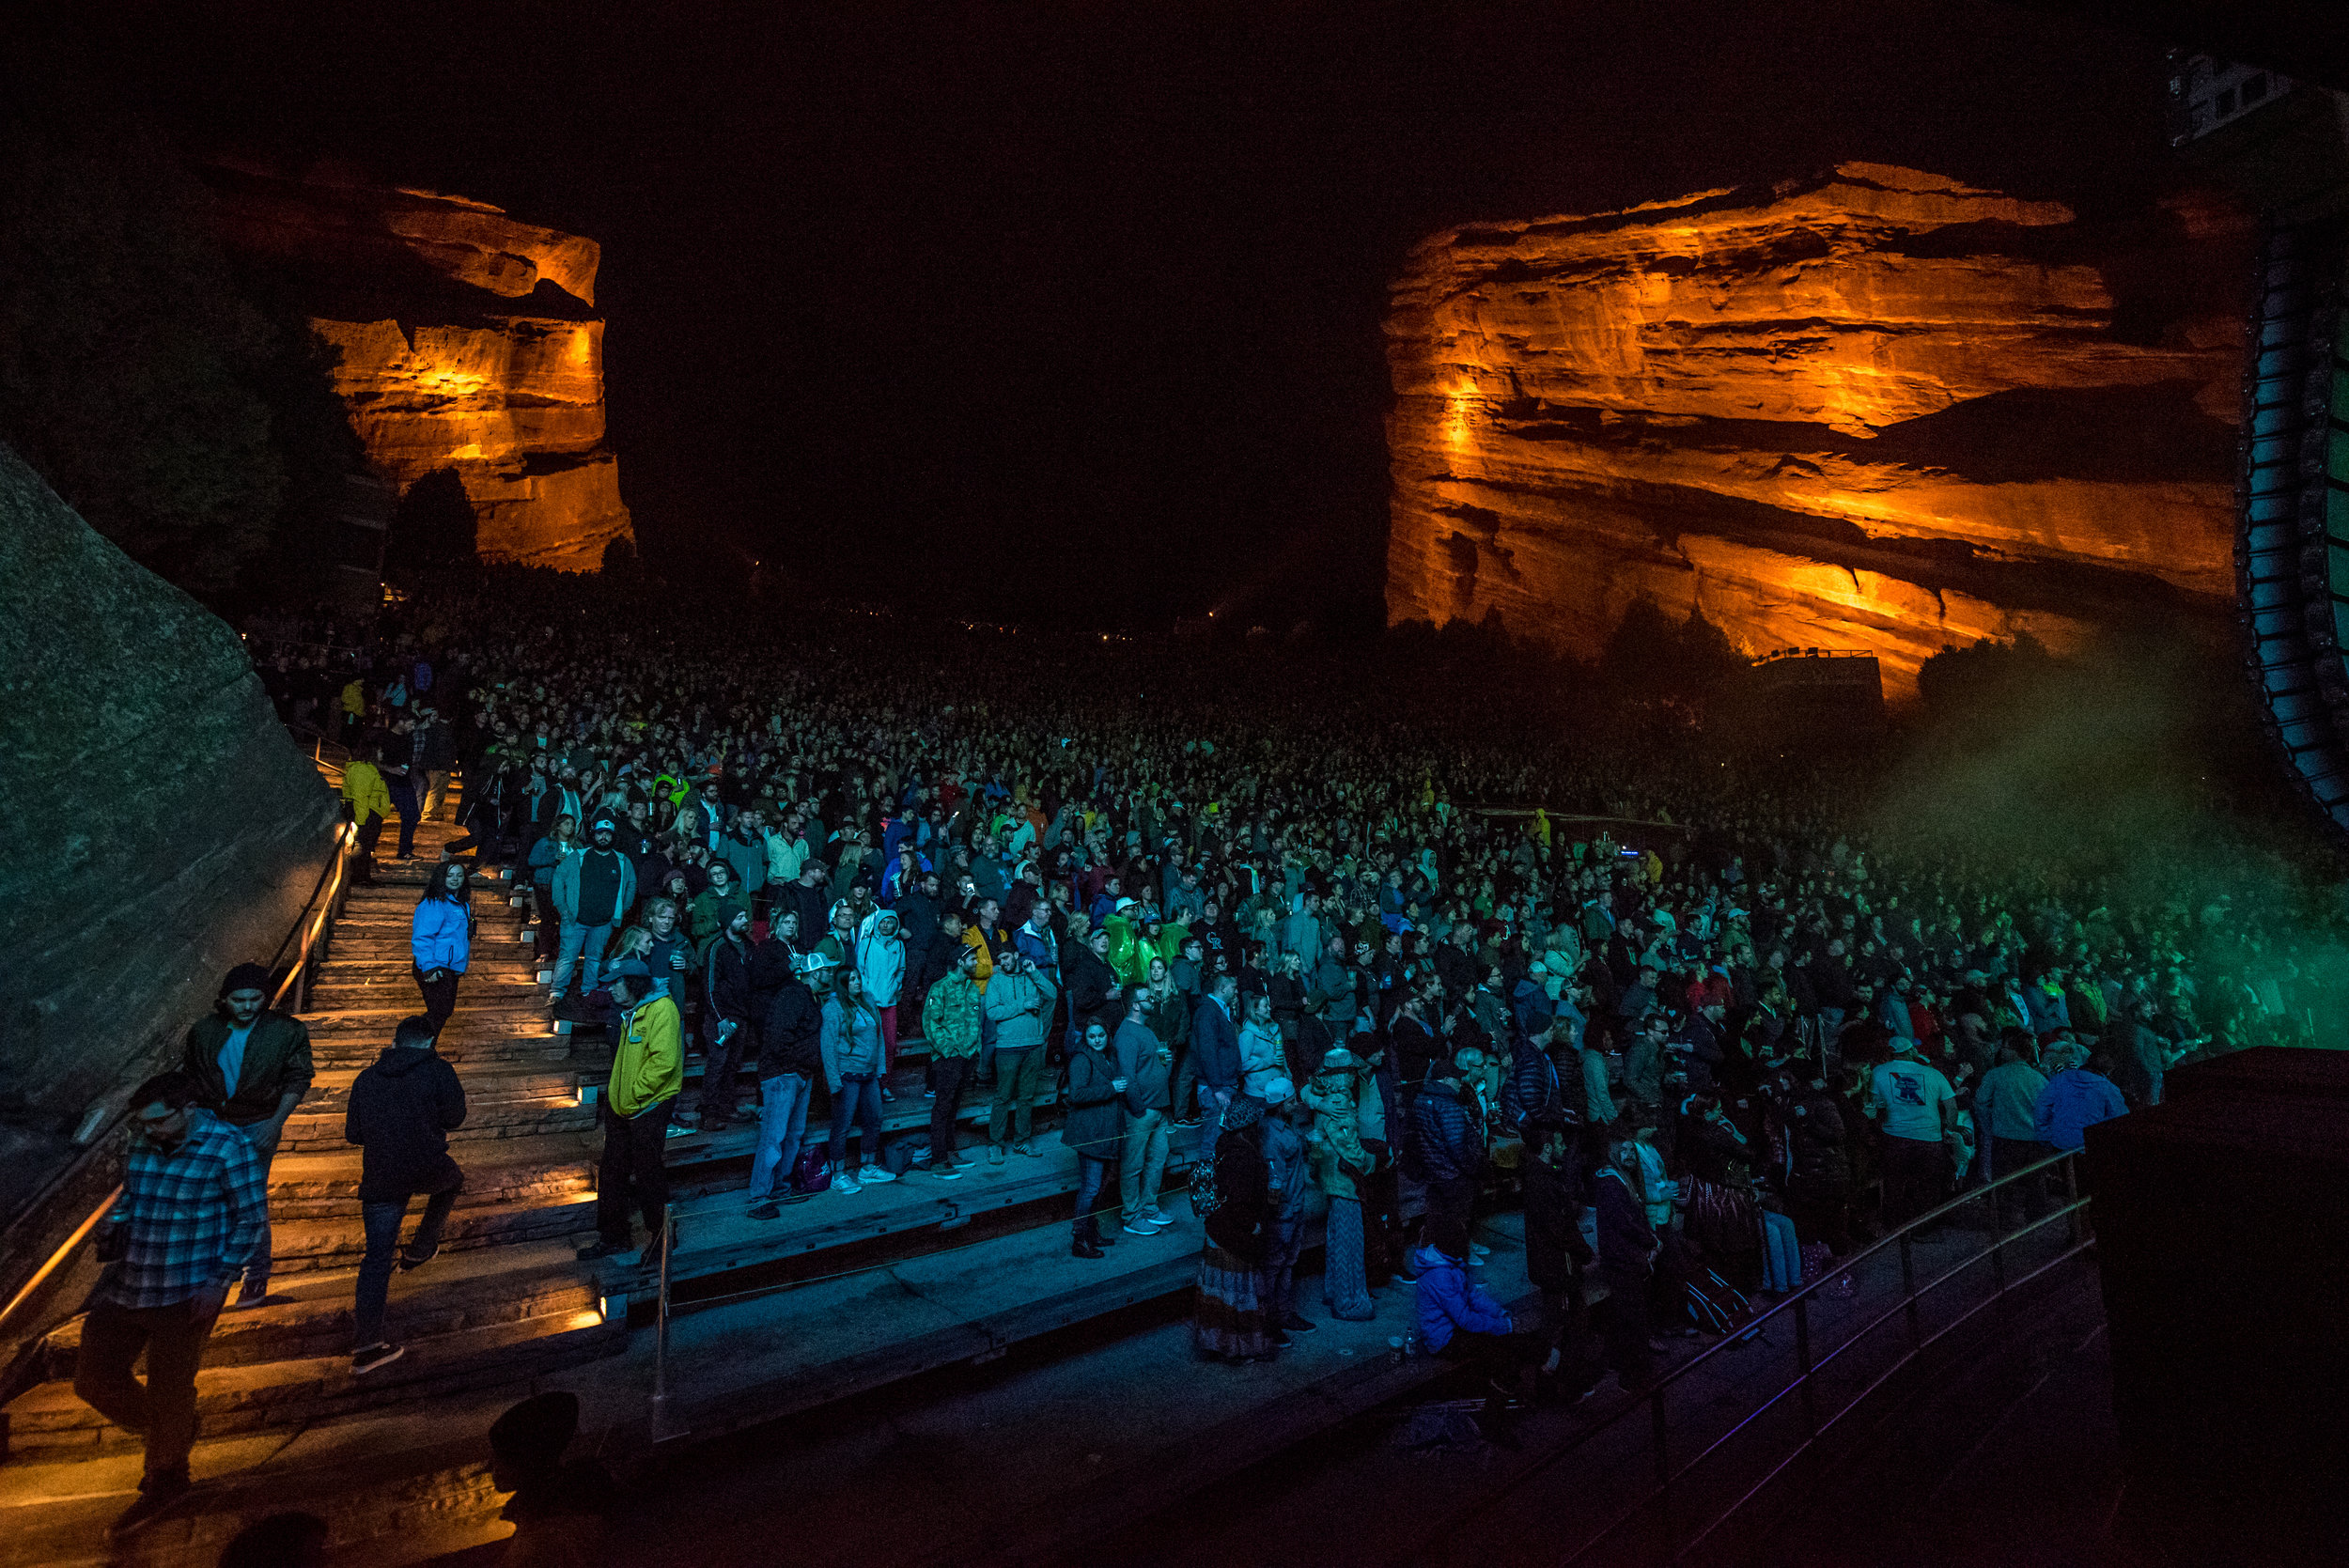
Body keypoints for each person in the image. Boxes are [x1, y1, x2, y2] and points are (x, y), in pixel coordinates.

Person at [76, 1071, 267, 1537]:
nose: (149, 1131)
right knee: (93, 1379)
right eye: (143, 1124)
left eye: (158, 1122)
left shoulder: (227, 1146)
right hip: (128, 1281)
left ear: (188, 1110)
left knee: (169, 1387)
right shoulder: (143, 1142)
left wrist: (221, 1279)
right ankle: (173, 1431)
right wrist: (114, 1224)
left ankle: (166, 1477)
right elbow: (131, 1195)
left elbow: (251, 1218)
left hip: (186, 1287)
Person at [181, 963, 312, 1311]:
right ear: (224, 1000)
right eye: (239, 1000)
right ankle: (211, 1275)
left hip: (257, 1122)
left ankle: (255, 1275)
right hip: (212, 1121)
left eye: (255, 999)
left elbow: (298, 1078)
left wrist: (275, 1123)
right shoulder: (204, 1031)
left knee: (248, 1201)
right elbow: (191, 1078)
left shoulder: (286, 1031)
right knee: (211, 1199)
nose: (247, 1006)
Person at [344, 1014, 468, 1374]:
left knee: (376, 1259)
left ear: (395, 1041)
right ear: (429, 1042)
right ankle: (421, 1247)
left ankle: (367, 1345)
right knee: (452, 1181)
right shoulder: (438, 1070)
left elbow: (353, 1133)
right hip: (426, 1163)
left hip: (381, 1173)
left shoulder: (367, 1078)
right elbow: (455, 1117)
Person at [577, 962, 682, 1265]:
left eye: (616, 983)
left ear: (633, 983)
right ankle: (613, 1237)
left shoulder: (662, 1010)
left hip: (649, 1104)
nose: (610, 989)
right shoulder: (632, 1011)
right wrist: (617, 1098)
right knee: (612, 1171)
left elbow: (665, 1062)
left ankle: (661, 1236)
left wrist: (634, 1094)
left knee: (648, 1170)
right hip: (622, 1106)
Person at [1410, 1232, 1527, 1444]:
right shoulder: (1440, 1275)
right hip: (1444, 1340)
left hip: (1456, 1330)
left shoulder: (1451, 1263)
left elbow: (1472, 1295)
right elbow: (1464, 1318)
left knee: (1508, 1346)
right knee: (1501, 1356)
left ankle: (1498, 1408)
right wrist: (1500, 1326)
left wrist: (1498, 1312)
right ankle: (1493, 1422)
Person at [488, 1391, 612, 1567]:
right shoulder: (558, 1504)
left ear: (528, 1460)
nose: (492, 1464)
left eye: (502, 1455)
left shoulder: (539, 1546)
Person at [1194, 1093, 1275, 1362]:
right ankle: (1237, 1349)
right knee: (1237, 1298)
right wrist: (1252, 1226)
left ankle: (1219, 1345)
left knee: (1220, 1299)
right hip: (1232, 1238)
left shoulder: (1224, 1146)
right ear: (1249, 1127)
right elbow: (1240, 1203)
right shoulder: (1245, 1158)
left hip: (1217, 1233)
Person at [746, 953, 825, 1218]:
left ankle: (780, 1186)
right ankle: (759, 1196)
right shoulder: (793, 995)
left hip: (800, 1073)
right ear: (816, 973)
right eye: (826, 970)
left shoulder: (810, 998)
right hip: (784, 1074)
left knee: (793, 1134)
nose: (830, 974)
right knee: (774, 1136)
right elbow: (779, 1037)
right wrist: (799, 1061)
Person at [1303, 1048, 1374, 1320]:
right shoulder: (1339, 1104)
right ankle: (1349, 1301)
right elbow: (1349, 1148)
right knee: (1349, 1242)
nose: (1355, 1077)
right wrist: (1372, 1160)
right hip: (1344, 1182)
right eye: (1350, 1072)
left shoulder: (1325, 1099)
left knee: (1336, 1238)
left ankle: (1334, 1291)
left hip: (1331, 1180)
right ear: (1342, 1076)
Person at [1866, 1035, 1959, 1231]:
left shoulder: (1879, 1072)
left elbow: (1875, 1104)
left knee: (1894, 1184)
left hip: (1894, 1136)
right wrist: (1949, 1129)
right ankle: (1924, 1227)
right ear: (1911, 1051)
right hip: (1929, 1137)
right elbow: (1951, 1106)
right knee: (1928, 1184)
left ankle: (1894, 1228)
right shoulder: (1932, 1073)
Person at [1593, 1133, 1659, 1390]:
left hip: (1623, 1257)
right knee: (1633, 1319)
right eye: (1625, 1151)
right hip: (1623, 1259)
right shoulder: (1612, 1183)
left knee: (1626, 1316)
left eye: (1633, 1151)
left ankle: (1622, 1363)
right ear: (1613, 1153)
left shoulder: (1616, 1178)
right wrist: (1651, 1241)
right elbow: (1626, 1222)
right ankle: (1634, 1377)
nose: (1630, 1156)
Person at [549, 817, 636, 1013]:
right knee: (567, 957)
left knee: (594, 958)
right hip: (574, 919)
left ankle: (589, 991)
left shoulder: (622, 861)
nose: (603, 837)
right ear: (594, 834)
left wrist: (622, 910)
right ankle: (556, 993)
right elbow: (558, 878)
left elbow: (631, 885)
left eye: (607, 834)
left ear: (613, 837)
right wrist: (563, 908)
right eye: (600, 833)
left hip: (604, 922)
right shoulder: (579, 856)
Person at [820, 967, 896, 1191]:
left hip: (869, 1073)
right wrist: (834, 1081)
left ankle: (868, 1167)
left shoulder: (868, 1001)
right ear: (843, 983)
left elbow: (879, 1036)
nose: (857, 982)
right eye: (852, 979)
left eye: (858, 978)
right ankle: (838, 1173)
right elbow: (828, 1046)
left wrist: (880, 1068)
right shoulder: (833, 1009)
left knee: (874, 1119)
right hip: (847, 1074)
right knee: (842, 1125)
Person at [984, 946, 1058, 1162]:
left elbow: (1052, 994)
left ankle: (1022, 1142)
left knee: (1026, 1097)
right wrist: (1022, 1005)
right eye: (1000, 959)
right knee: (1003, 1097)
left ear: (1016, 956)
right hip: (1007, 1047)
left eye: (1006, 957)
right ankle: (995, 1144)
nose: (1003, 962)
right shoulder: (996, 981)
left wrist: (1035, 972)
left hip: (1033, 1045)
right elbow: (992, 1012)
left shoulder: (1031, 977)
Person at [1113, 983, 1174, 1235]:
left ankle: (1149, 1206)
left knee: (1157, 1160)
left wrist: (1166, 1064)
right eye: (1148, 997)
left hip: (1159, 1109)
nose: (1153, 999)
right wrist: (1138, 1109)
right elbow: (1127, 1076)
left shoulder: (1146, 1031)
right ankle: (1131, 1215)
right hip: (1142, 1112)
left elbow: (1157, 1069)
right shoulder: (1127, 1034)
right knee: (1133, 1165)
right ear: (1136, 1005)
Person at [920, 943, 985, 1178]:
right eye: (972, 959)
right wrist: (949, 1050)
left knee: (955, 1106)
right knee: (943, 1107)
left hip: (968, 1056)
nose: (976, 962)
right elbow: (931, 1023)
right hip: (948, 1058)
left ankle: (950, 1152)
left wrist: (974, 1050)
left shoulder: (972, 989)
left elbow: (976, 1021)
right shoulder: (940, 988)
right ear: (960, 961)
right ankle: (938, 1160)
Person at [1065, 1019, 1127, 1257]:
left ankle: (1091, 1232)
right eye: (1092, 1036)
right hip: (1090, 1133)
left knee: (1099, 1187)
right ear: (1086, 1038)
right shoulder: (1082, 1059)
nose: (1098, 1039)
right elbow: (1077, 1094)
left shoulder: (1108, 1055)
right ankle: (1080, 1239)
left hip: (1105, 1132)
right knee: (1090, 1188)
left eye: (1101, 1035)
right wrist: (1111, 1088)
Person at [692, 908, 756, 1130]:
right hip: (721, 1017)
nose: (745, 920)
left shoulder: (749, 946)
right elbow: (709, 985)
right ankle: (709, 1113)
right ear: (728, 922)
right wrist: (719, 1017)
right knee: (717, 1064)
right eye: (739, 917)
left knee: (732, 1065)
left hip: (742, 1017)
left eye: (744, 916)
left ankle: (727, 1108)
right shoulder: (717, 947)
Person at [1976, 1041, 2052, 1224]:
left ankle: (2006, 1221)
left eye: (2007, 1047)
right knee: (2036, 1181)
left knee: (2004, 1183)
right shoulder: (2038, 1078)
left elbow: (1981, 1102)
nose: (2002, 1050)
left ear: (2016, 1052)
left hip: (2006, 1137)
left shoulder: (1996, 1075)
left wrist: (1989, 1127)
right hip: (2035, 1138)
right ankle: (2038, 1218)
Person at [411, 861, 474, 1031]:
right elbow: (422, 937)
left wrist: (460, 965)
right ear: (441, 877)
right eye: (450, 875)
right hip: (436, 966)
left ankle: (420, 1048)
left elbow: (460, 938)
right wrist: (429, 966)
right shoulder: (434, 903)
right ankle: (413, 1045)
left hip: (449, 968)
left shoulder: (462, 904)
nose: (455, 879)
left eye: (460, 875)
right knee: (439, 1012)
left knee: (442, 1012)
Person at [2033, 1048, 2128, 1153]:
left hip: (2060, 1143)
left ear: (2087, 1061)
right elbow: (2120, 1120)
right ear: (2111, 1069)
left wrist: (2045, 1137)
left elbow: (2041, 1108)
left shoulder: (2061, 1079)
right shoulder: (2109, 1089)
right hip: (2091, 1147)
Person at [1190, 972, 1241, 1163]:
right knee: (1213, 1140)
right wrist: (1218, 1089)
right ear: (1222, 988)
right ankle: (1206, 1187)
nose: (1236, 991)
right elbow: (1207, 1052)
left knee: (1221, 1139)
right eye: (1233, 988)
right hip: (1215, 1089)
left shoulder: (1220, 1010)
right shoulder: (1208, 1012)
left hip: (1223, 1084)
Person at [342, 744, 391, 884]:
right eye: (380, 750)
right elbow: (360, 797)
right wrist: (362, 820)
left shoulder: (368, 769)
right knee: (362, 845)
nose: (382, 754)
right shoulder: (362, 770)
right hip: (368, 814)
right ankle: (360, 877)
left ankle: (362, 876)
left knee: (366, 846)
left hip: (371, 813)